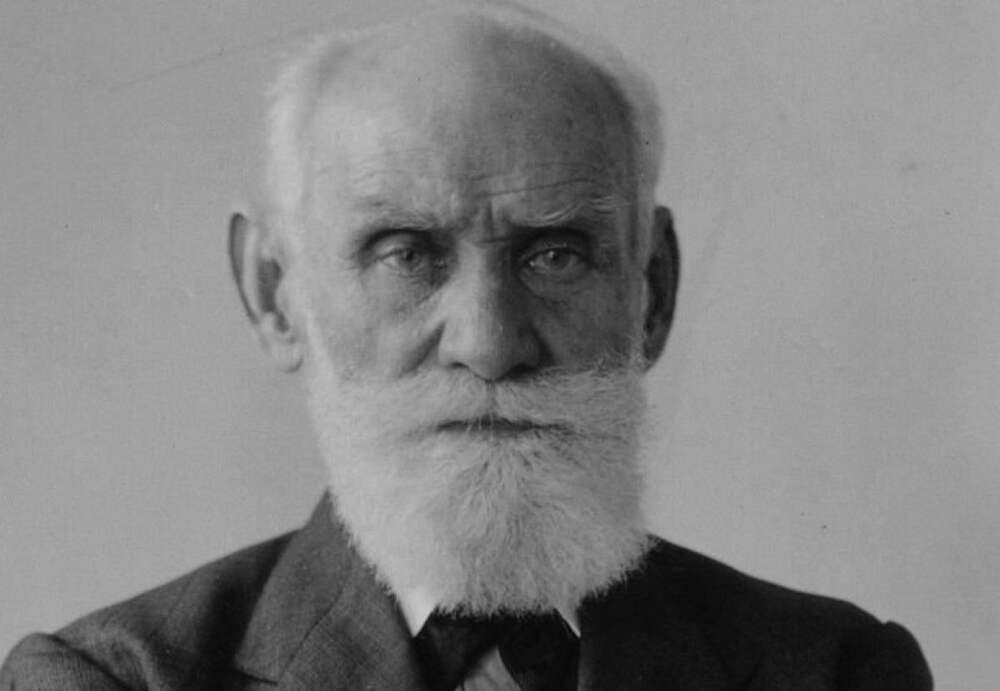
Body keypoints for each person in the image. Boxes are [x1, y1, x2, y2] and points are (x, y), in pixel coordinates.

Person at [1, 2, 932, 689]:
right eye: (405, 252)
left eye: (556, 253)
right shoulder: (109, 679)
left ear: (651, 292)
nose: (489, 343)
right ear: (275, 295)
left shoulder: (836, 671)